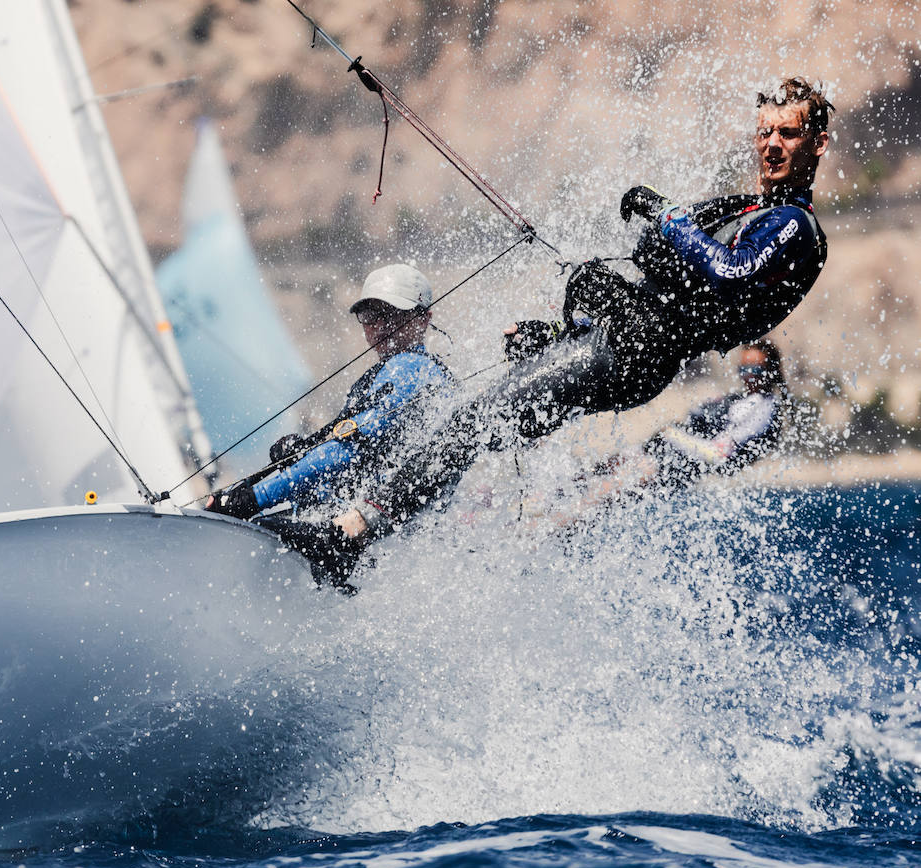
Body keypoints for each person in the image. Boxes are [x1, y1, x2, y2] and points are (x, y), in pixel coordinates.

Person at [331, 76, 831, 547]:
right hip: (619, 342)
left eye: (788, 134)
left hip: (634, 352)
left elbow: (729, 269)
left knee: (473, 423)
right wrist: (553, 333)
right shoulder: (747, 208)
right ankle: (362, 521)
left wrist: (667, 213)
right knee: (477, 427)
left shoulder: (797, 227)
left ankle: (353, 530)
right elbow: (661, 273)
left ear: (818, 144)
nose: (772, 145)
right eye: (765, 132)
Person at [204, 263, 452, 582]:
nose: (379, 326)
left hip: (363, 542)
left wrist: (254, 497)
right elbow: (352, 444)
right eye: (369, 315)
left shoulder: (408, 371)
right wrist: (303, 448)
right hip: (386, 549)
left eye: (391, 313)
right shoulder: (418, 373)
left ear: (423, 319)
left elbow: (345, 453)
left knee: (257, 529)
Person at [554, 340, 789, 524]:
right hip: (664, 450)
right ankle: (546, 505)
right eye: (743, 369)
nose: (748, 376)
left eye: (755, 370)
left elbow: (718, 454)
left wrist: (672, 434)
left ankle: (549, 531)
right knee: (596, 471)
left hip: (676, 465)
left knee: (604, 495)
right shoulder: (740, 400)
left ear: (771, 371)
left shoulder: (764, 408)